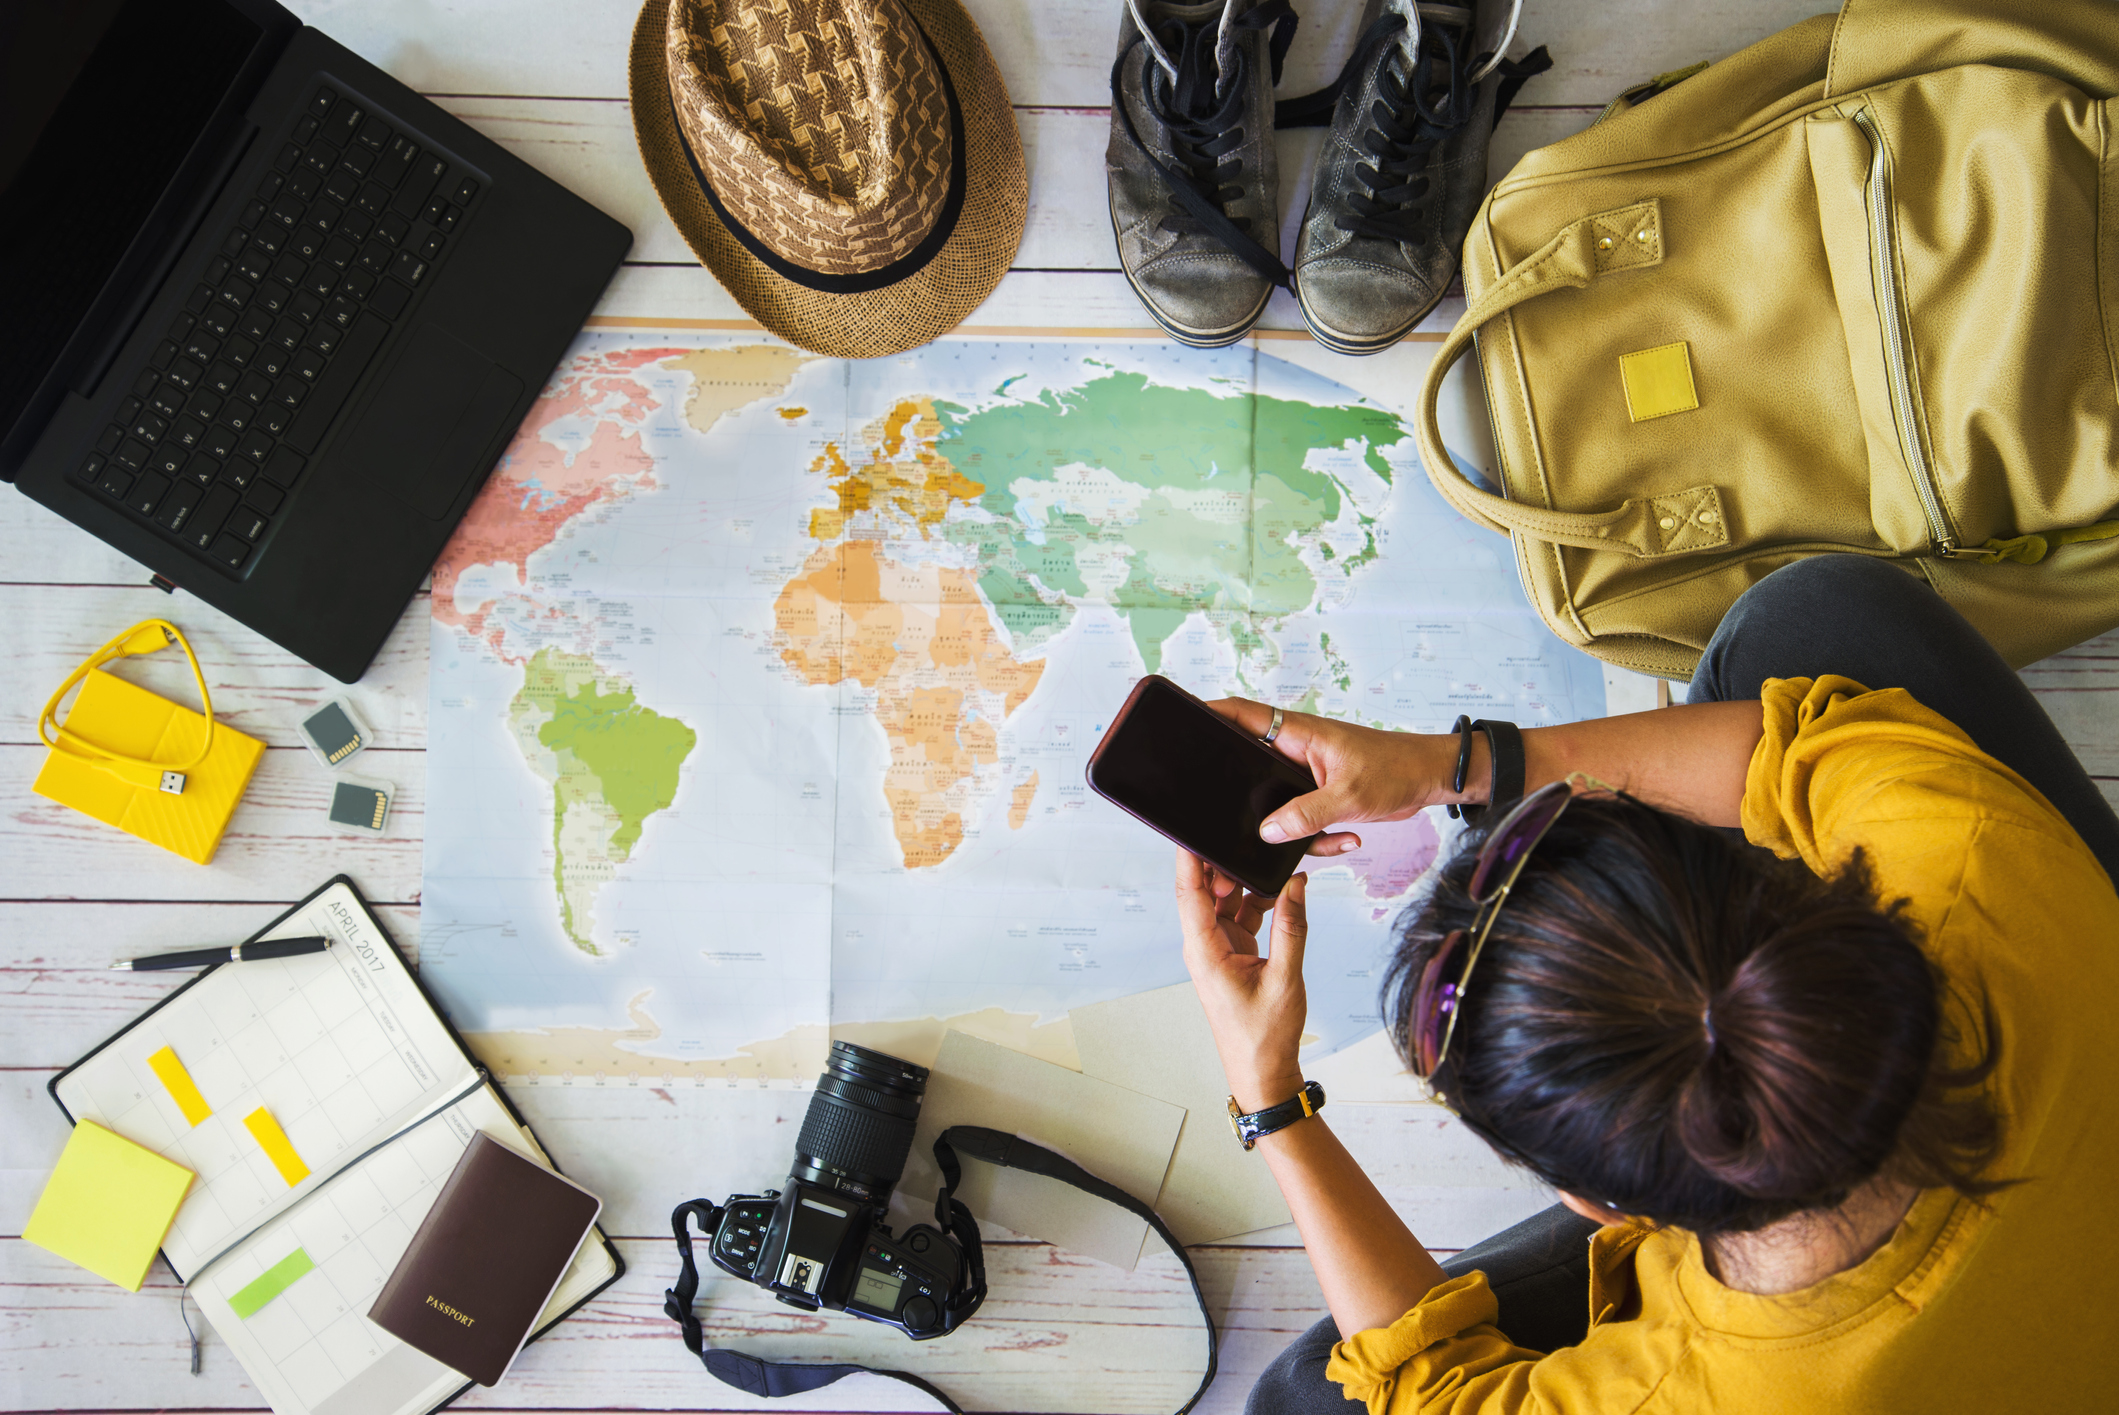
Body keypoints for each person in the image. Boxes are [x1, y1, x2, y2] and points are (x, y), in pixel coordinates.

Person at [1176, 556, 2119, 1413]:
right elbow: (1788, 741)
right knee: (1811, 614)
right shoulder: (1977, 858)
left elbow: (1431, 1391)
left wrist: (1268, 1094)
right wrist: (1447, 767)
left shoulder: (1688, 1393)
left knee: (1307, 1398)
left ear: (1609, 1210)